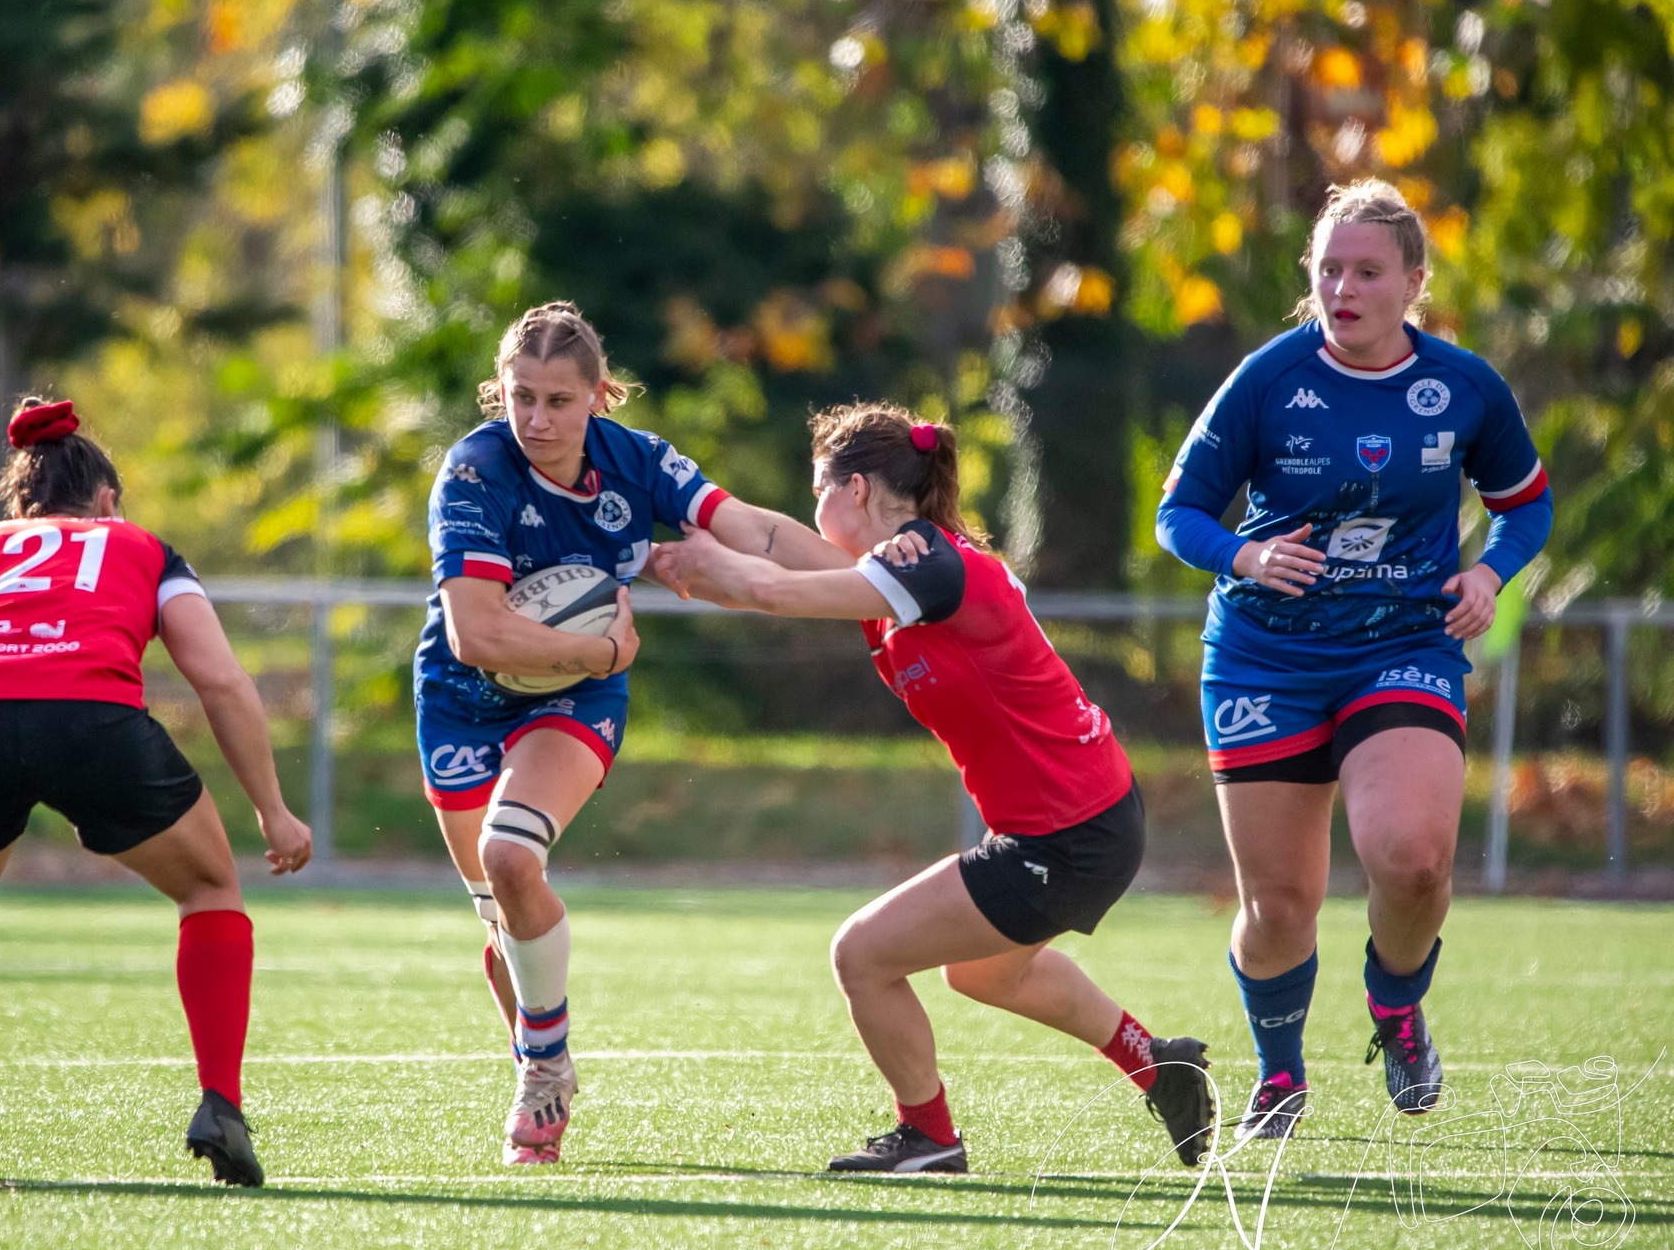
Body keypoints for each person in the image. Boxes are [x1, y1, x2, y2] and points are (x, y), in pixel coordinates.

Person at [651, 402, 1216, 1173]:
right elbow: (773, 544)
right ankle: (1158, 1064)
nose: (812, 510)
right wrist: (679, 503)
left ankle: (929, 1135)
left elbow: (776, 588)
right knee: (982, 969)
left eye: (818, 490)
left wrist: (708, 571)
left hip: (1069, 830)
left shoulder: (925, 561)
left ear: (854, 491)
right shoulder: (899, 568)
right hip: (1079, 820)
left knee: (862, 954)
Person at [0, 396, 314, 1190]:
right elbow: (220, 679)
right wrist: (272, 809)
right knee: (211, 888)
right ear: (107, 502)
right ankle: (221, 1103)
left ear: (20, 502)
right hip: (93, 722)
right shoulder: (141, 549)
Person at [1156, 180, 1552, 1140]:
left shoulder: (1462, 386)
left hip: (1403, 647)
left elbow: (1526, 501)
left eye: (1367, 270)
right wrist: (1245, 553)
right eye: (1329, 268)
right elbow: (1180, 514)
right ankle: (1280, 1076)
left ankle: (1396, 1006)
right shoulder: (1266, 378)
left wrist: (1493, 573)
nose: (1344, 286)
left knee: (1412, 860)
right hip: (1264, 657)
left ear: (1413, 281)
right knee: (1280, 901)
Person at [416, 301, 845, 1165]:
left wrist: (886, 579)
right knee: (501, 927)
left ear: (600, 398)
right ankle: (547, 1058)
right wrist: (600, 644)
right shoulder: (474, 471)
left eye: (560, 402)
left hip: (577, 697)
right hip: (463, 697)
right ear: (497, 392)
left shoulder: (637, 461)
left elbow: (752, 528)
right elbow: (480, 635)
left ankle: (538, 1079)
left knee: (511, 857)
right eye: (520, 397)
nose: (537, 419)